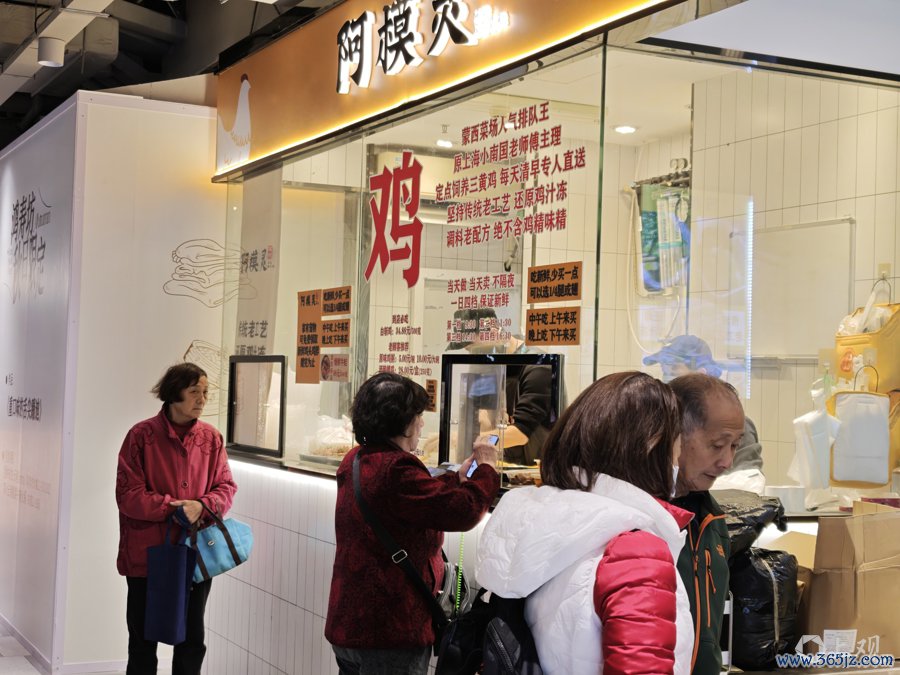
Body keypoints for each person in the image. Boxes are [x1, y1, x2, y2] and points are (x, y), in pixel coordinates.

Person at [476, 371, 694, 675]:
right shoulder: (636, 554)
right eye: (677, 445)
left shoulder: (537, 522)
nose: (678, 460)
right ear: (652, 443)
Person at [325, 372, 500, 675]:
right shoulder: (396, 468)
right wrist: (487, 470)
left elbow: (409, 498)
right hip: (389, 630)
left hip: (350, 622)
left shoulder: (356, 459)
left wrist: (456, 479)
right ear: (404, 422)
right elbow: (465, 511)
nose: (421, 424)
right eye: (418, 416)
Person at [115, 362, 237, 675]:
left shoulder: (211, 439)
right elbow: (128, 495)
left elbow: (226, 487)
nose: (202, 399)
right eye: (194, 391)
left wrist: (202, 506)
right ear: (173, 393)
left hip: (194, 554)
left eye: (205, 392)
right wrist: (175, 508)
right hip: (147, 555)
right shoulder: (141, 436)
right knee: (142, 642)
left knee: (192, 640)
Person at [668, 373, 745, 675]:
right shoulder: (644, 521)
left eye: (734, 446)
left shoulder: (713, 520)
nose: (727, 461)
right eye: (717, 445)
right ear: (675, 436)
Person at [448, 307, 555, 464]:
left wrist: (465, 441)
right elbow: (484, 420)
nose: (474, 355)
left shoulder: (538, 365)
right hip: (505, 465)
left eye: (474, 348)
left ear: (493, 332)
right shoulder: (489, 365)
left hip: (537, 468)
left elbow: (520, 434)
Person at [644, 334, 763, 474]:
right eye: (664, 371)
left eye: (673, 370)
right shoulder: (660, 421)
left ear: (701, 374)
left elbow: (746, 480)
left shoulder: (734, 427)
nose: (667, 379)